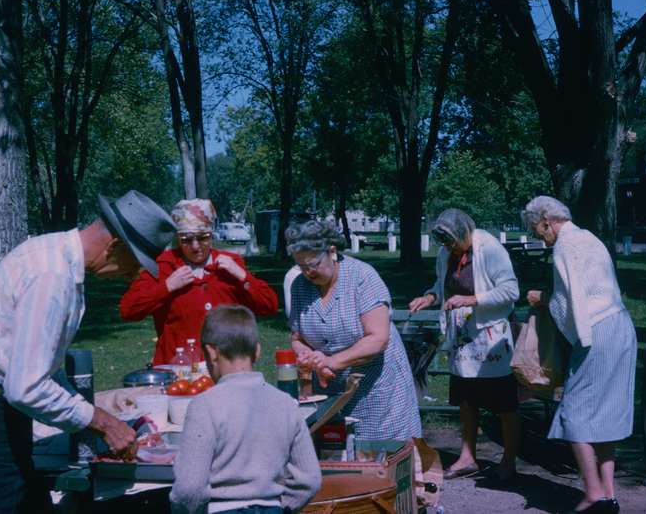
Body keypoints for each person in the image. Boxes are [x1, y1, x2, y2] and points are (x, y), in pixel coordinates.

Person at [0, 190, 176, 514]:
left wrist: (94, 418)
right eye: (134, 264)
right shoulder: (52, 276)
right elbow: (26, 387)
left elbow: (43, 366)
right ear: (114, 246)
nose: (131, 276)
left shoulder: (60, 260)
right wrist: (101, 421)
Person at [522, 196, 636, 514]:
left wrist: (542, 298)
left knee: (574, 412)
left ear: (547, 220)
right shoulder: (589, 238)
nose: (537, 236)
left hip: (597, 332)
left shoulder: (565, 246)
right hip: (620, 326)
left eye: (536, 229)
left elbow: (570, 301)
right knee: (606, 411)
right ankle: (609, 494)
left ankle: (594, 495)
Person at [170, 305, 322, 514]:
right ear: (257, 351)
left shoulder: (204, 405)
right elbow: (310, 479)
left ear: (212, 352)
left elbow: (190, 488)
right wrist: (283, 507)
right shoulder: (286, 403)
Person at [408, 208, 521, 481]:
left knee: (504, 401)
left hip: (490, 336)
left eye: (452, 242)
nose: (448, 248)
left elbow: (510, 291)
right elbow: (442, 284)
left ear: (465, 233)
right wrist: (430, 297)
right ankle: (467, 457)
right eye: (445, 244)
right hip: (462, 337)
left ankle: (509, 460)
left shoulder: (491, 249)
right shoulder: (447, 252)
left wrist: (470, 299)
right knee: (466, 398)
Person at [286, 219, 422, 440]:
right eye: (301, 266)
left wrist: (332, 362)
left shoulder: (362, 277)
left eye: (312, 264)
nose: (308, 273)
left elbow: (378, 338)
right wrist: (310, 358)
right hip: (330, 392)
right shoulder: (299, 285)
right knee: (336, 456)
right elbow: (297, 337)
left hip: (377, 389)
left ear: (332, 251)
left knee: (378, 460)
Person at [120, 199, 278, 365]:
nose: (195, 246)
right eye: (186, 240)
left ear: (211, 234)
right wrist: (167, 287)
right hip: (177, 369)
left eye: (203, 238)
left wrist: (243, 277)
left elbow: (269, 305)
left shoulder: (231, 264)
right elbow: (128, 310)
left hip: (224, 368)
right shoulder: (164, 266)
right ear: (177, 238)